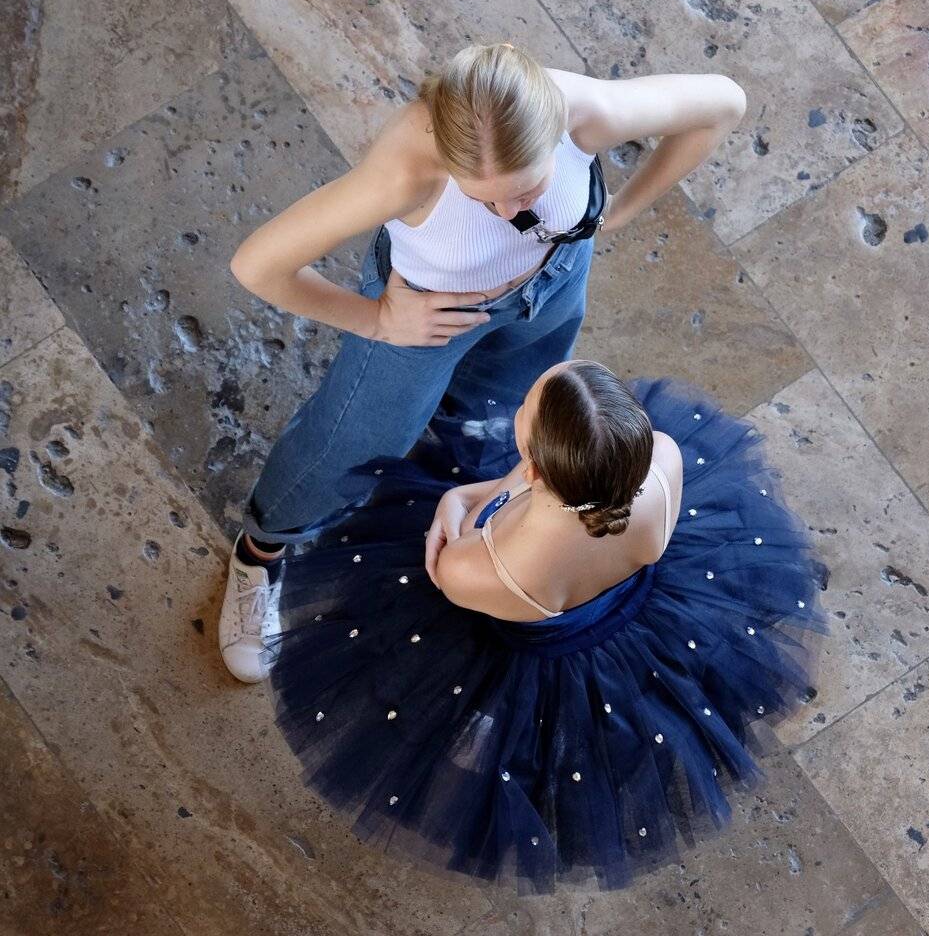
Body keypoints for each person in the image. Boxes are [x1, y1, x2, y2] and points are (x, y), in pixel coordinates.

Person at [219, 43, 747, 683]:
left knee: (500, 408)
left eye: (524, 190)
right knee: (351, 444)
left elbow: (724, 104)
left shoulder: (583, 110)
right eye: (484, 201)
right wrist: (378, 319)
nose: (508, 213)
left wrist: (616, 214)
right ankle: (261, 550)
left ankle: (457, 470)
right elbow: (257, 264)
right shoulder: (403, 173)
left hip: (553, 285)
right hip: (430, 316)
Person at [267, 361, 824, 891]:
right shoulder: (661, 458)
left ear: (534, 467)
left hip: (533, 637)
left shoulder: (490, 567)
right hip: (634, 598)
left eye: (524, 408)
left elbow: (452, 563)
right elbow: (543, 492)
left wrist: (455, 500)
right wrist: (500, 484)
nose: (519, 405)